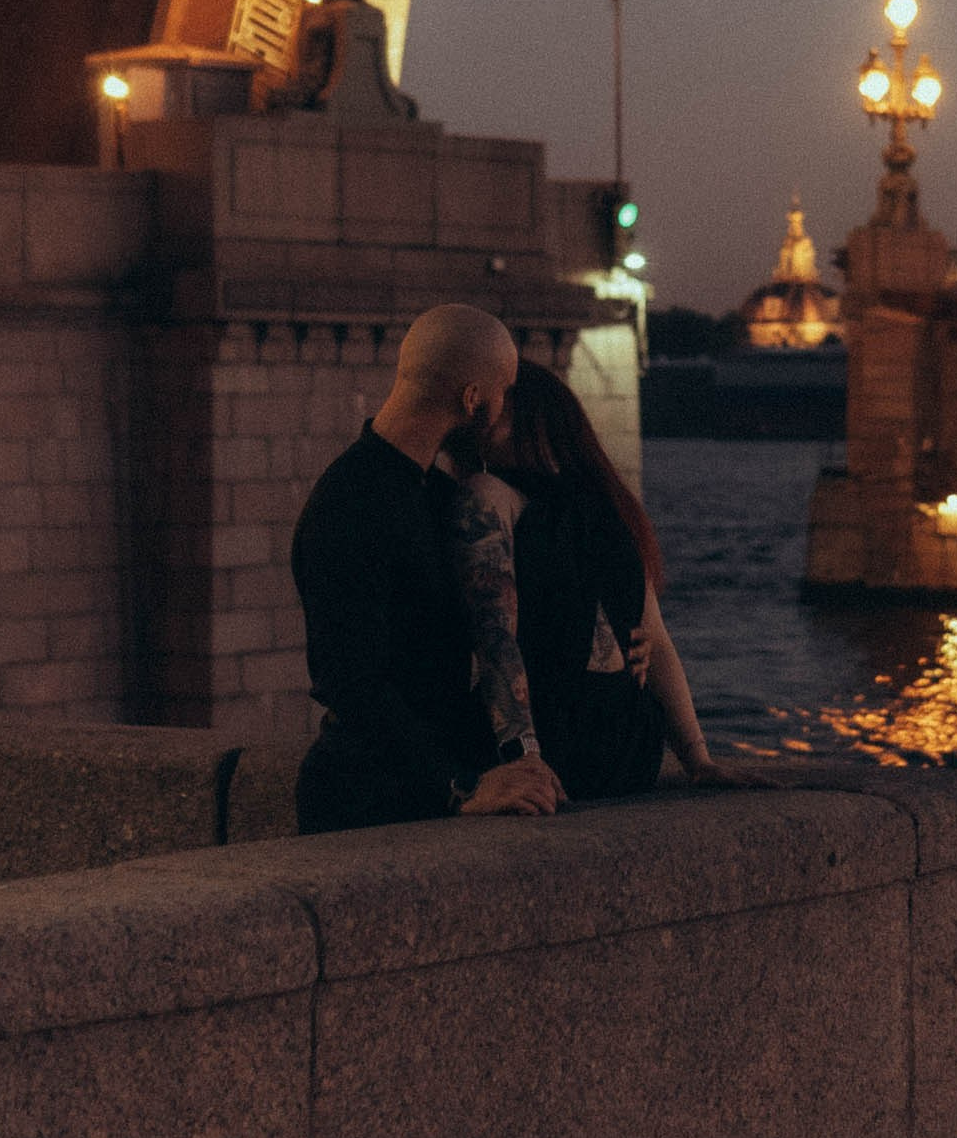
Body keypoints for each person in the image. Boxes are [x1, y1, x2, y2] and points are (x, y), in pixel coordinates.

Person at [291, 305, 564, 833]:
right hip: (366, 805)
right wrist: (461, 786)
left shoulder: (430, 494)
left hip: (413, 790)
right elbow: (351, 681)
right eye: (503, 393)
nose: (504, 408)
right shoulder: (349, 503)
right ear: (471, 399)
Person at [451, 359, 764, 800]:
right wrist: (697, 759)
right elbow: (654, 639)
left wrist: (700, 763)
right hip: (625, 749)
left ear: (530, 413)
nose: (479, 418)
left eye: (496, 406)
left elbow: (651, 639)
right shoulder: (602, 507)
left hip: (565, 744)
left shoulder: (500, 496)